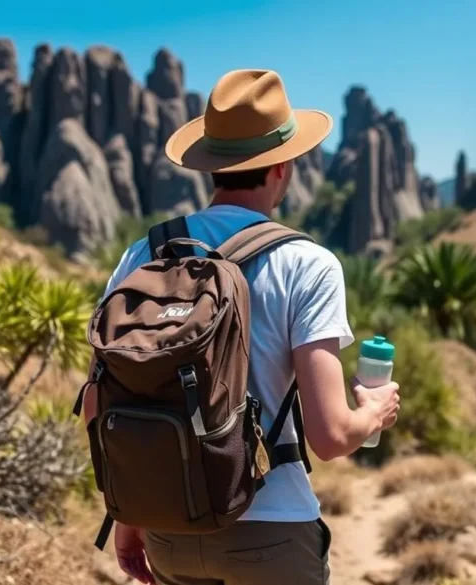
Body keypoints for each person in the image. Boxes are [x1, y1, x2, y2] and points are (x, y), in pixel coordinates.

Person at [80, 69, 400, 585]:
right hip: (272, 537)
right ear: (284, 165)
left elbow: (99, 399)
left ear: (211, 164)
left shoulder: (144, 255)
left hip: (170, 529)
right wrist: (375, 412)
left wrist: (128, 517)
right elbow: (332, 436)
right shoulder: (308, 263)